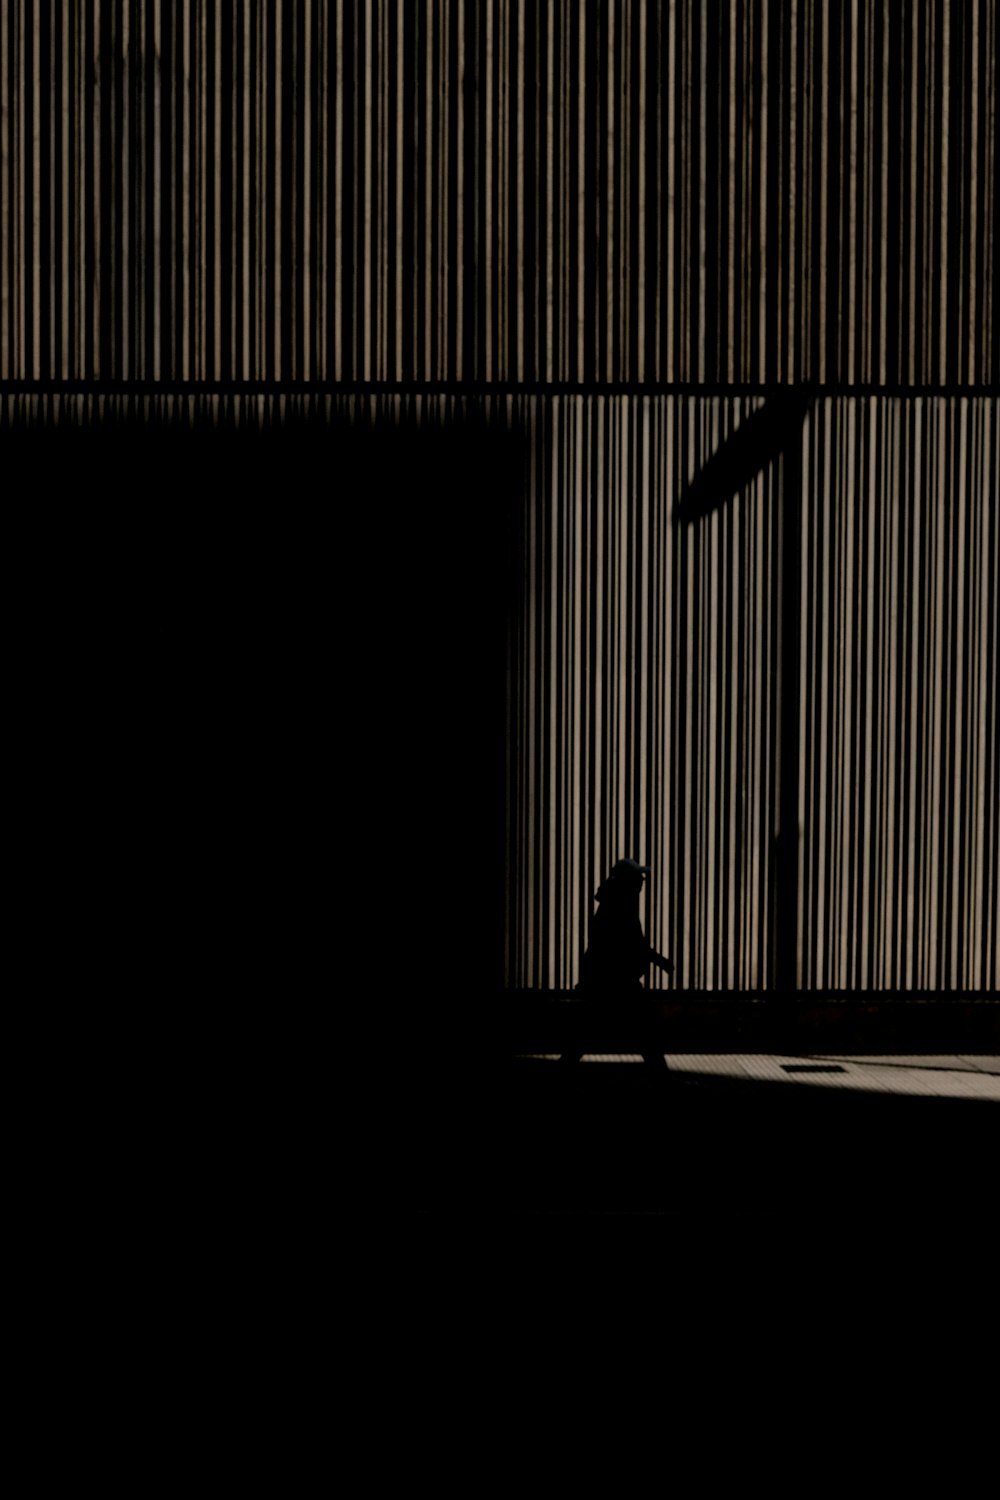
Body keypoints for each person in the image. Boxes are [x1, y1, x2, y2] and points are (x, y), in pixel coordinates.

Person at [563, 858, 672, 1070]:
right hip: (615, 982)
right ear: (627, 881)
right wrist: (659, 960)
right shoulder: (620, 906)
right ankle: (663, 1081)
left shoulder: (614, 902)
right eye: (638, 878)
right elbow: (631, 944)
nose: (642, 882)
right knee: (646, 1031)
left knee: (586, 1032)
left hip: (603, 981)